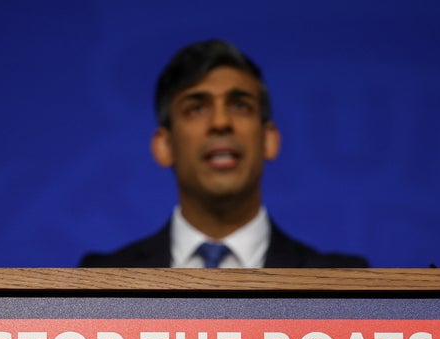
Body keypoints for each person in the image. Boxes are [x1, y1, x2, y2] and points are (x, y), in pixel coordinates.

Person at [80, 39, 367, 268]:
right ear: (164, 146)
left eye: (240, 106)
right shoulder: (104, 278)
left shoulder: (343, 283)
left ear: (269, 139)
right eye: (196, 108)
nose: (220, 123)